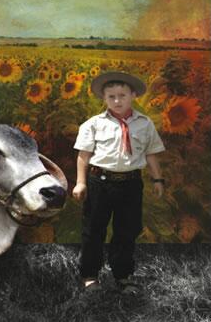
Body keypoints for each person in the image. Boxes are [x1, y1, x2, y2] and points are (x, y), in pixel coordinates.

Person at [72, 71, 165, 294]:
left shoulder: (144, 124)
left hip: (131, 185)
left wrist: (158, 179)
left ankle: (123, 275)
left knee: (127, 230)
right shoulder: (93, 124)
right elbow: (83, 156)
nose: (117, 101)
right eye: (111, 96)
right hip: (100, 183)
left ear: (133, 95)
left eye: (122, 95)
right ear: (103, 98)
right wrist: (80, 183)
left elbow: (152, 153)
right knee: (93, 230)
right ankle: (90, 275)